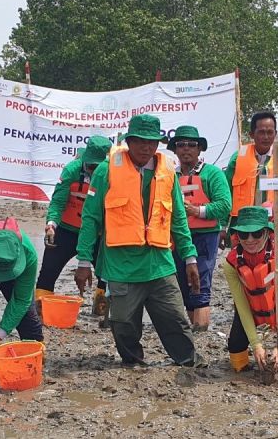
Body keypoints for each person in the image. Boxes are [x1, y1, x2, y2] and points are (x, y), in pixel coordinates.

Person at [76, 114, 203, 367]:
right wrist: (83, 260)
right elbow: (90, 218)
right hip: (121, 265)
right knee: (122, 323)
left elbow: (178, 216)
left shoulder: (167, 171)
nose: (146, 147)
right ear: (129, 141)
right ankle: (133, 362)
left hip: (159, 264)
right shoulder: (106, 170)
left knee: (175, 319)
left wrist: (190, 257)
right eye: (140, 141)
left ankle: (189, 362)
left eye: (152, 142)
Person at [223, 206, 278, 371]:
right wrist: (256, 345)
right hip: (251, 300)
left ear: (267, 233)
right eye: (244, 234)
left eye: (257, 233)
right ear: (237, 235)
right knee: (235, 345)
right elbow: (241, 306)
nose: (250, 239)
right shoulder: (230, 264)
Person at [36, 136, 112, 314]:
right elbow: (57, 201)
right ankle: (40, 310)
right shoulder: (72, 170)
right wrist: (51, 224)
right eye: (91, 166)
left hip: (97, 234)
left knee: (106, 275)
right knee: (48, 271)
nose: (95, 171)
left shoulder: (112, 174)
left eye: (99, 166)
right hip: (66, 232)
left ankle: (101, 310)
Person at [168, 125, 231, 331]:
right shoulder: (169, 175)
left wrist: (197, 210)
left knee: (201, 277)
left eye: (191, 145)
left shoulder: (212, 174)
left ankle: (201, 327)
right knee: (180, 277)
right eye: (181, 145)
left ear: (199, 149)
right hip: (177, 235)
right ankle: (191, 325)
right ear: (175, 149)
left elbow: (224, 205)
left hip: (205, 235)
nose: (186, 149)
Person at [224, 111, 278, 247]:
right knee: (240, 264)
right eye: (261, 132)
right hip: (243, 225)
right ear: (252, 134)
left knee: (276, 263)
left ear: (275, 134)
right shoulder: (237, 159)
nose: (266, 137)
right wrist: (222, 226)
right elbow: (225, 193)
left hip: (274, 224)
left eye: (270, 132)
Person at [0, 218, 43, 359]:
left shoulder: (28, 254)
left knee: (29, 323)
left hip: (11, 270)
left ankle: (34, 361)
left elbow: (21, 300)